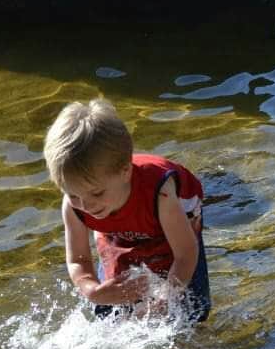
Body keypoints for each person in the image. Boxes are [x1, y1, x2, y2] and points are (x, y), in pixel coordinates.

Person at [43, 98, 211, 321]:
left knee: (191, 312)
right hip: (118, 228)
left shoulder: (160, 193)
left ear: (125, 171)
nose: (86, 206)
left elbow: (185, 254)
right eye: (73, 194)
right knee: (109, 313)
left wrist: (165, 298)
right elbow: (78, 260)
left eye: (96, 193)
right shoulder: (76, 206)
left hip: (171, 220)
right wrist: (92, 290)